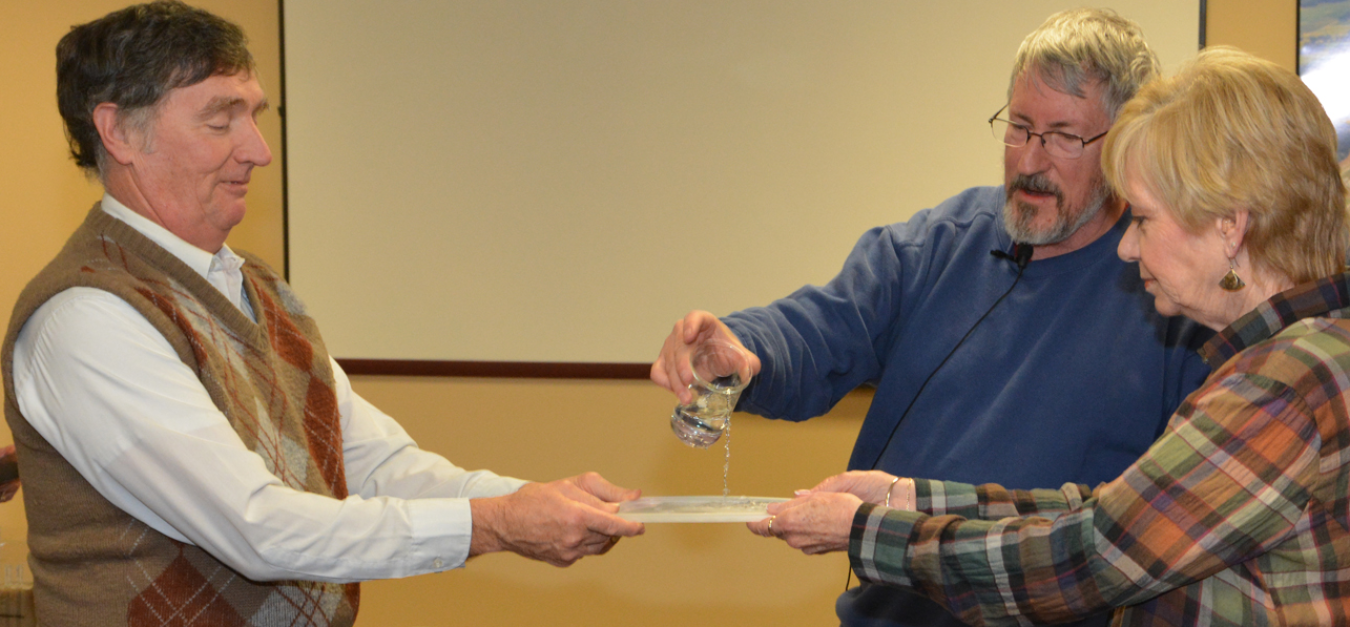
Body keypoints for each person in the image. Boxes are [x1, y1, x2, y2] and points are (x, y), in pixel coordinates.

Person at [0, 2, 643, 625]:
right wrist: (498, 524)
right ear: (117, 131)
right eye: (221, 122)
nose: (259, 150)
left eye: (255, 116)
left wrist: (536, 501)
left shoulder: (260, 289)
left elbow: (372, 465)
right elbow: (256, 527)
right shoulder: (84, 319)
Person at [651, 9, 1213, 627]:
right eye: (1019, 126)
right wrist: (742, 347)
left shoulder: (1171, 292)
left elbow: (1166, 524)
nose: (1030, 159)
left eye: (1062, 136)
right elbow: (819, 328)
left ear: (1125, 144)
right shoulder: (938, 245)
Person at [752, 47, 1350, 626]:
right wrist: (909, 499)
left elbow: (1087, 557)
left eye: (1143, 219)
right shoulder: (1299, 359)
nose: (1127, 246)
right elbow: (1110, 512)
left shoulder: (1283, 388)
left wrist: (864, 532)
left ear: (1229, 225)